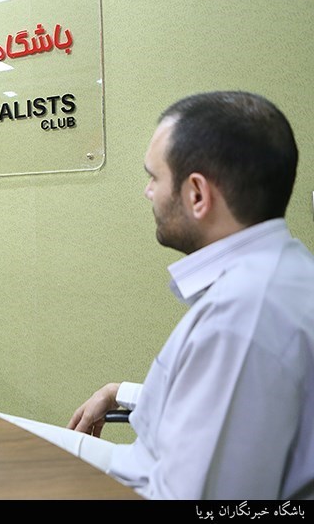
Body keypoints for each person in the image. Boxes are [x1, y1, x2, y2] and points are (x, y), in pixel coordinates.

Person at [29, 91, 314, 500]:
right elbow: (216, 405)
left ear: (197, 194)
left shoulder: (243, 318)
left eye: (154, 177)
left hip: (143, 484)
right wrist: (118, 392)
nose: (148, 192)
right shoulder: (283, 270)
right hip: (143, 465)